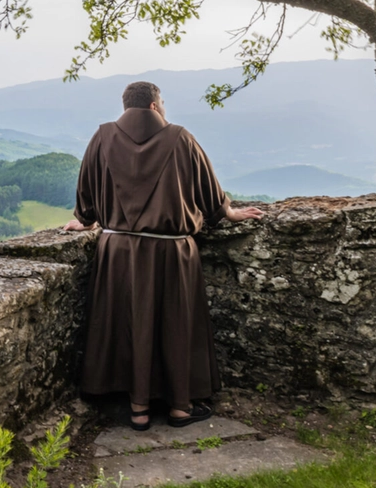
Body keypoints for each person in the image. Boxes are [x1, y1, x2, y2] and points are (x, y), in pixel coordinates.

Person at [63, 81, 263, 430]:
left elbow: (87, 189)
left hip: (118, 253)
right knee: (176, 324)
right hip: (172, 252)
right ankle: (179, 408)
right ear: (155, 107)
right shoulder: (180, 138)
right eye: (164, 104)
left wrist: (86, 221)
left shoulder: (101, 138)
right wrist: (228, 213)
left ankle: (137, 410)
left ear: (126, 107)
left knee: (128, 325)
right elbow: (208, 192)